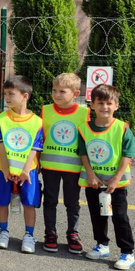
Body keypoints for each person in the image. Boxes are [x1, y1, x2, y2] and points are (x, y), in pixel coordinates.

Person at [78, 84, 135, 270]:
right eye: (100, 103)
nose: (105, 107)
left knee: (119, 217)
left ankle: (127, 252)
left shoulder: (122, 128)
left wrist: (116, 178)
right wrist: (90, 174)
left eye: (109, 103)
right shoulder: (84, 129)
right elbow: (83, 153)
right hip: (94, 182)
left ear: (116, 106)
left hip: (116, 184)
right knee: (97, 215)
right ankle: (102, 245)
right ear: (92, 106)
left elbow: (128, 154)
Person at [0, 76, 44, 254]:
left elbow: (35, 149)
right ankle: (3, 232)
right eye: (5, 93)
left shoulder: (37, 121)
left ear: (25, 96)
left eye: (11, 94)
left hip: (28, 172)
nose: (6, 97)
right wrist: (6, 169)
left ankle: (29, 235)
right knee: (2, 202)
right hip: (4, 170)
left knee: (29, 203)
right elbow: (0, 146)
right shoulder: (1, 118)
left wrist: (25, 171)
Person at [41, 73, 89, 254]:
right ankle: (50, 233)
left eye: (62, 91)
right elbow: (40, 138)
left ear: (75, 94)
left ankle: (73, 234)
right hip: (49, 167)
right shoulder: (46, 110)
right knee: (50, 201)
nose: (57, 94)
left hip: (73, 168)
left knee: (72, 203)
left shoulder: (84, 113)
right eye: (54, 90)